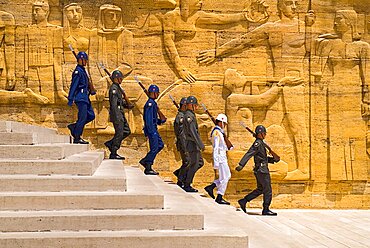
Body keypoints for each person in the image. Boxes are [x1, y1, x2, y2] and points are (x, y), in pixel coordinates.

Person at [235, 125, 279, 215]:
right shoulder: (258, 144)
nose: (265, 135)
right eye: (264, 133)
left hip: (260, 170)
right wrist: (241, 164)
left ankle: (244, 201)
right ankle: (266, 209)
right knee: (268, 190)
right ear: (261, 134)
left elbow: (262, 157)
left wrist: (273, 159)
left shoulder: (261, 143)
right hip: (262, 171)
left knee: (260, 189)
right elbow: (249, 153)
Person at [104, 69, 134, 159]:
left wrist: (128, 105)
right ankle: (113, 152)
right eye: (121, 78)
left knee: (127, 131)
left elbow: (119, 103)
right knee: (119, 133)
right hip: (117, 115)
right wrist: (117, 116)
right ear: (117, 78)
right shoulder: (113, 89)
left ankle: (110, 143)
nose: (122, 80)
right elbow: (113, 104)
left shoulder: (118, 88)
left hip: (120, 114)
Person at [67, 51, 95, 144]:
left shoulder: (83, 70)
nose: (86, 62)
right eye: (85, 60)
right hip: (80, 97)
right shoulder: (77, 71)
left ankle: (74, 127)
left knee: (91, 116)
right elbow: (74, 86)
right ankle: (77, 137)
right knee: (82, 118)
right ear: (81, 60)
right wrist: (70, 98)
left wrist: (91, 90)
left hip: (85, 97)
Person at [139, 84, 166, 175]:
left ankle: (146, 160)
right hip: (152, 130)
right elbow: (148, 119)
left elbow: (153, 118)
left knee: (160, 145)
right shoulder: (150, 104)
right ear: (154, 93)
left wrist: (159, 121)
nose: (158, 94)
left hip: (154, 128)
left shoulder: (153, 103)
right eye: (157, 93)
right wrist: (151, 132)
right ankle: (148, 166)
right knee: (154, 148)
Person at [204, 114, 231, 205]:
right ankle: (219, 196)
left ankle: (212, 187)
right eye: (225, 124)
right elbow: (216, 147)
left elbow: (226, 146)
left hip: (222, 156)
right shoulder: (216, 132)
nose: (225, 126)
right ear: (221, 122)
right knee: (226, 177)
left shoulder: (220, 132)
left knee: (226, 176)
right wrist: (215, 161)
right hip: (220, 157)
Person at [183, 96, 204, 192]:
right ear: (191, 105)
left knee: (199, 162)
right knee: (194, 164)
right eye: (195, 105)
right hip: (192, 143)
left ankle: (183, 178)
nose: (196, 107)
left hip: (193, 143)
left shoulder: (190, 115)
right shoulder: (189, 116)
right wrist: (200, 144)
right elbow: (193, 132)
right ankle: (187, 184)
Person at [173, 97, 188, 187]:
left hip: (184, 142)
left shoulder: (183, 116)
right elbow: (181, 134)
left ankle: (179, 174)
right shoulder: (181, 117)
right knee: (187, 161)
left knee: (187, 161)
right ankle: (180, 179)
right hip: (183, 143)